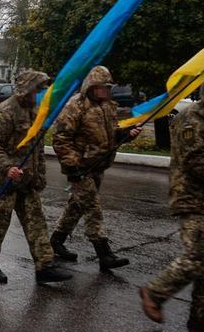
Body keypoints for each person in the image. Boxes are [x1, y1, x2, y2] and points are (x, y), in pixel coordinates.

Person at [140, 68, 204, 332]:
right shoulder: (192, 117)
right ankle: (155, 292)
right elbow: (195, 160)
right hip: (192, 197)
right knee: (199, 254)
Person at [0, 70, 71, 285]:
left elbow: (37, 147)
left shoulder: (35, 111)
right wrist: (7, 167)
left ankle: (45, 266)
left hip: (28, 180)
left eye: (40, 90)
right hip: (7, 181)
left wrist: (39, 176)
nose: (38, 93)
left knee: (36, 223)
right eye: (36, 89)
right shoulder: (5, 112)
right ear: (26, 89)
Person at [50, 65, 140, 271]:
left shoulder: (108, 106)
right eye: (104, 87)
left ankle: (56, 241)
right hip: (80, 168)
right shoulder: (76, 106)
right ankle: (104, 254)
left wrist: (125, 134)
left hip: (98, 166)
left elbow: (111, 134)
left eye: (109, 87)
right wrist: (73, 168)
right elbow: (61, 139)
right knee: (93, 208)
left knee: (77, 206)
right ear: (92, 87)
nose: (108, 91)